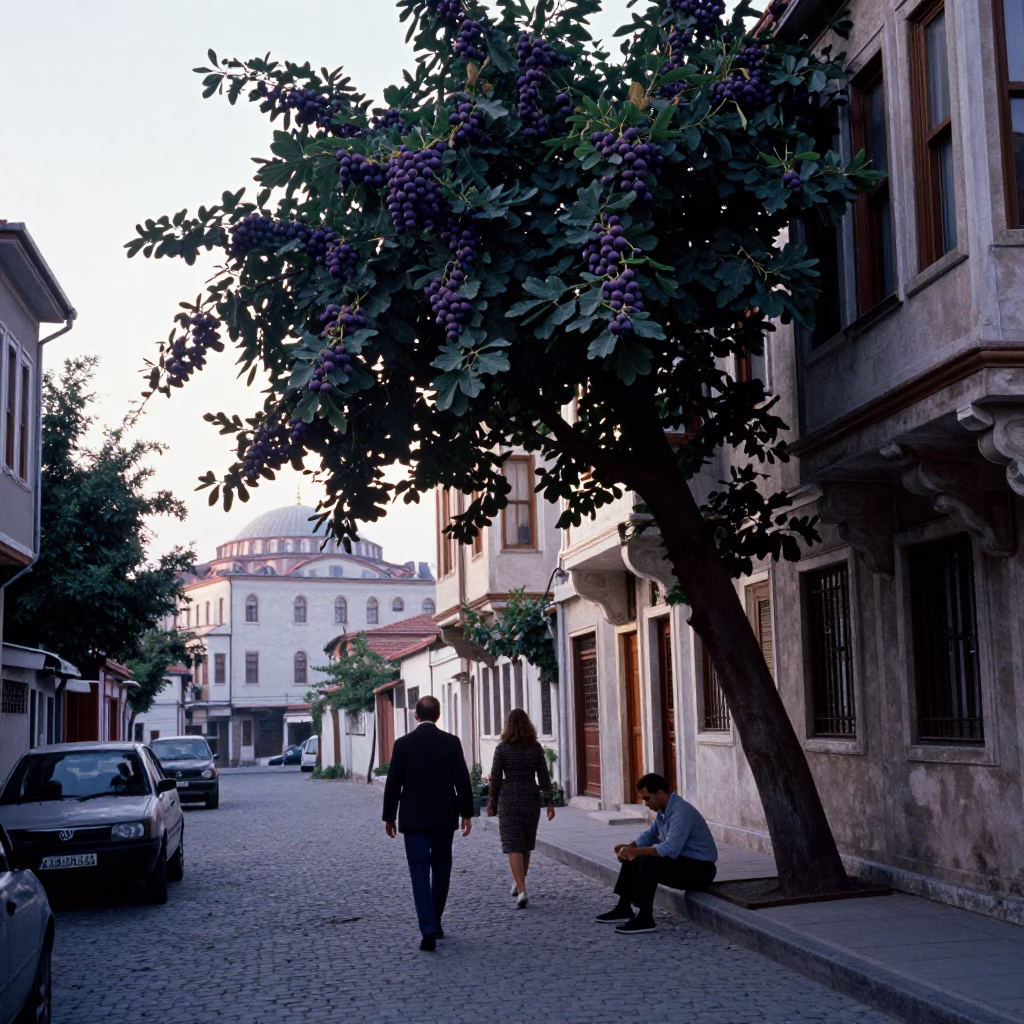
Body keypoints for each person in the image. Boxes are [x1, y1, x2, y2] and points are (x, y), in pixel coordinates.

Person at [382, 694, 474, 951]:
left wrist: (389, 816)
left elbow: (393, 783)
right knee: (442, 871)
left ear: (416, 715)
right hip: (444, 818)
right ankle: (436, 919)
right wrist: (467, 813)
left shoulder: (403, 744)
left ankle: (428, 928)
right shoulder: (451, 742)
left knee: (419, 874)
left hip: (413, 819)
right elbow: (462, 780)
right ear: (439, 715)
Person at [595, 772, 718, 935]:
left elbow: (670, 849)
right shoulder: (663, 811)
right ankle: (623, 907)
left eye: (647, 798)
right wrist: (630, 847)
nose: (645, 803)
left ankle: (645, 917)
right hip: (682, 863)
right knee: (633, 858)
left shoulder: (681, 811)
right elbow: (649, 835)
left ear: (660, 793)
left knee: (648, 861)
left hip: (700, 870)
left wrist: (636, 851)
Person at [487, 708, 555, 908]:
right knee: (525, 843)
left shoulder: (502, 749)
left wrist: (491, 799)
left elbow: (496, 777)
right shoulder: (535, 748)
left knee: (513, 845)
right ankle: (519, 884)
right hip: (530, 797)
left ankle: (522, 889)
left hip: (509, 797)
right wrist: (549, 801)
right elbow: (543, 776)